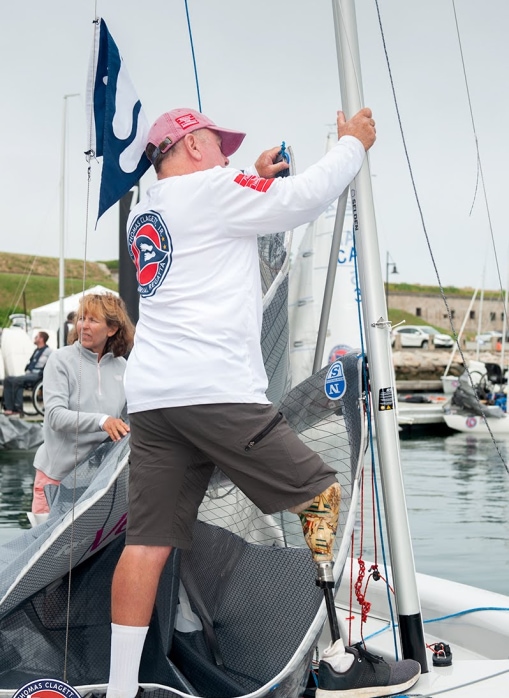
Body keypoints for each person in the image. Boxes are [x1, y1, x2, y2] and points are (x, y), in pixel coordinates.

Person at [106, 108, 420, 698]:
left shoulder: (151, 208)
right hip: (215, 390)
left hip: (154, 398)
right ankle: (336, 660)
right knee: (321, 493)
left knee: (146, 544)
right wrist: (351, 145)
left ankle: (122, 689)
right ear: (193, 144)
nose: (225, 157)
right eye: (218, 146)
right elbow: (303, 198)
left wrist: (250, 178)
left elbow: (212, 220)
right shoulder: (215, 189)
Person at [31, 293, 135, 515]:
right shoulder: (60, 360)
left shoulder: (122, 367)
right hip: (55, 482)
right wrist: (102, 421)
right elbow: (55, 417)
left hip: (97, 484)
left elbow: (127, 421)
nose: (83, 326)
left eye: (93, 320)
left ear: (112, 329)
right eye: (81, 318)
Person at [2, 331, 51, 417]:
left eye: (36, 337)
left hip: (38, 376)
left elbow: (51, 364)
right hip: (29, 374)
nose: (35, 339)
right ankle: (9, 408)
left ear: (41, 339)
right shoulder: (36, 351)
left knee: (18, 380)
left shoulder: (48, 351)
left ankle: (17, 408)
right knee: (8, 379)